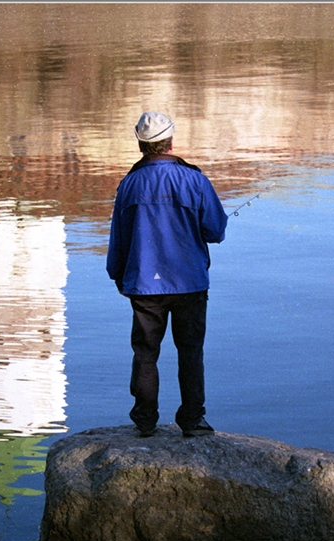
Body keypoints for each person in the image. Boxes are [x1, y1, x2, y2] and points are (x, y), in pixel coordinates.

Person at [106, 111, 228, 438]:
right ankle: (193, 420)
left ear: (140, 145)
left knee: (145, 353)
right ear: (171, 142)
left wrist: (117, 275)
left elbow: (118, 236)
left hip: (144, 286)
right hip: (190, 283)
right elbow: (215, 231)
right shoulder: (194, 180)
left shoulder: (129, 184)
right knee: (190, 352)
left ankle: (145, 420)